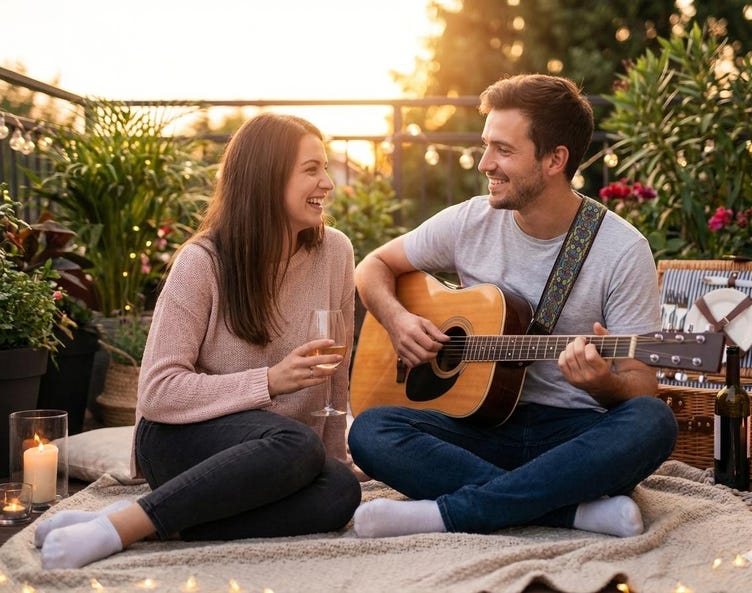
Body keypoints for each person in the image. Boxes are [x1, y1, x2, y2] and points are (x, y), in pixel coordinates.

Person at [348, 74, 678, 539]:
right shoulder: (469, 221)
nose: (485, 164)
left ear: (554, 160)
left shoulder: (622, 250)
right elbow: (373, 266)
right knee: (371, 430)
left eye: (503, 150)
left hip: (572, 437)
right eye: (487, 146)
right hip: (476, 431)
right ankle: (568, 512)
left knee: (652, 423)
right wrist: (398, 319)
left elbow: (642, 386)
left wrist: (605, 385)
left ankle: (446, 514)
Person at [35, 113, 362, 569]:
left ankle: (147, 517)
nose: (327, 182)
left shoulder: (336, 253)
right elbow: (158, 392)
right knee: (297, 445)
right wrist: (269, 381)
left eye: (325, 167)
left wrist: (332, 463)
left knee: (340, 493)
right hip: (180, 439)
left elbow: (335, 376)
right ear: (265, 179)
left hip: (271, 457)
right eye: (311, 169)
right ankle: (124, 528)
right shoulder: (202, 261)